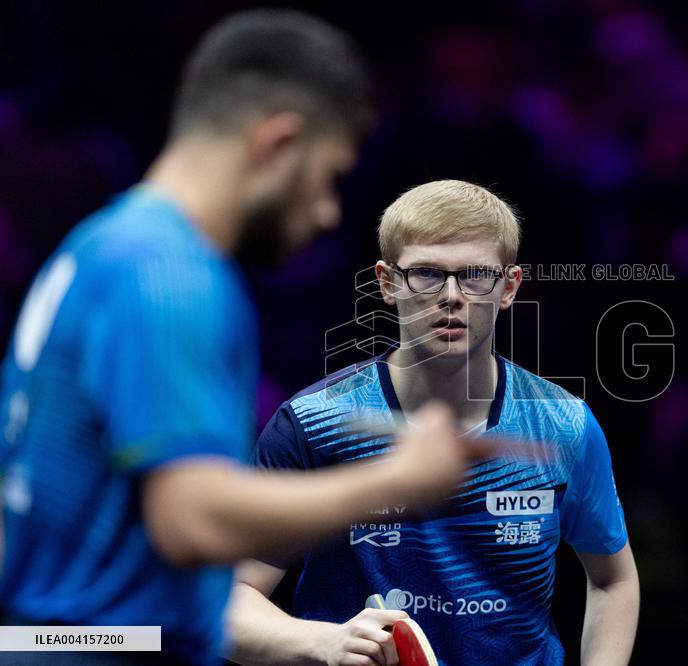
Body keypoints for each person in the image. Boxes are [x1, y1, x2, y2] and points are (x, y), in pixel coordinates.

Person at [0, 11, 479, 665]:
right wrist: (401, 477)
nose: (329, 213)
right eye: (330, 177)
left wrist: (313, 641)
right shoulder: (169, 274)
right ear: (279, 144)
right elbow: (192, 518)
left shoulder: (102, 245)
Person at [227, 180, 641, 665]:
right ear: (386, 282)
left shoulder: (563, 425)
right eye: (426, 273)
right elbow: (229, 601)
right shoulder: (314, 424)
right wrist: (322, 642)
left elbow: (613, 579)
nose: (451, 296)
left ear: (509, 287)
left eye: (476, 275)